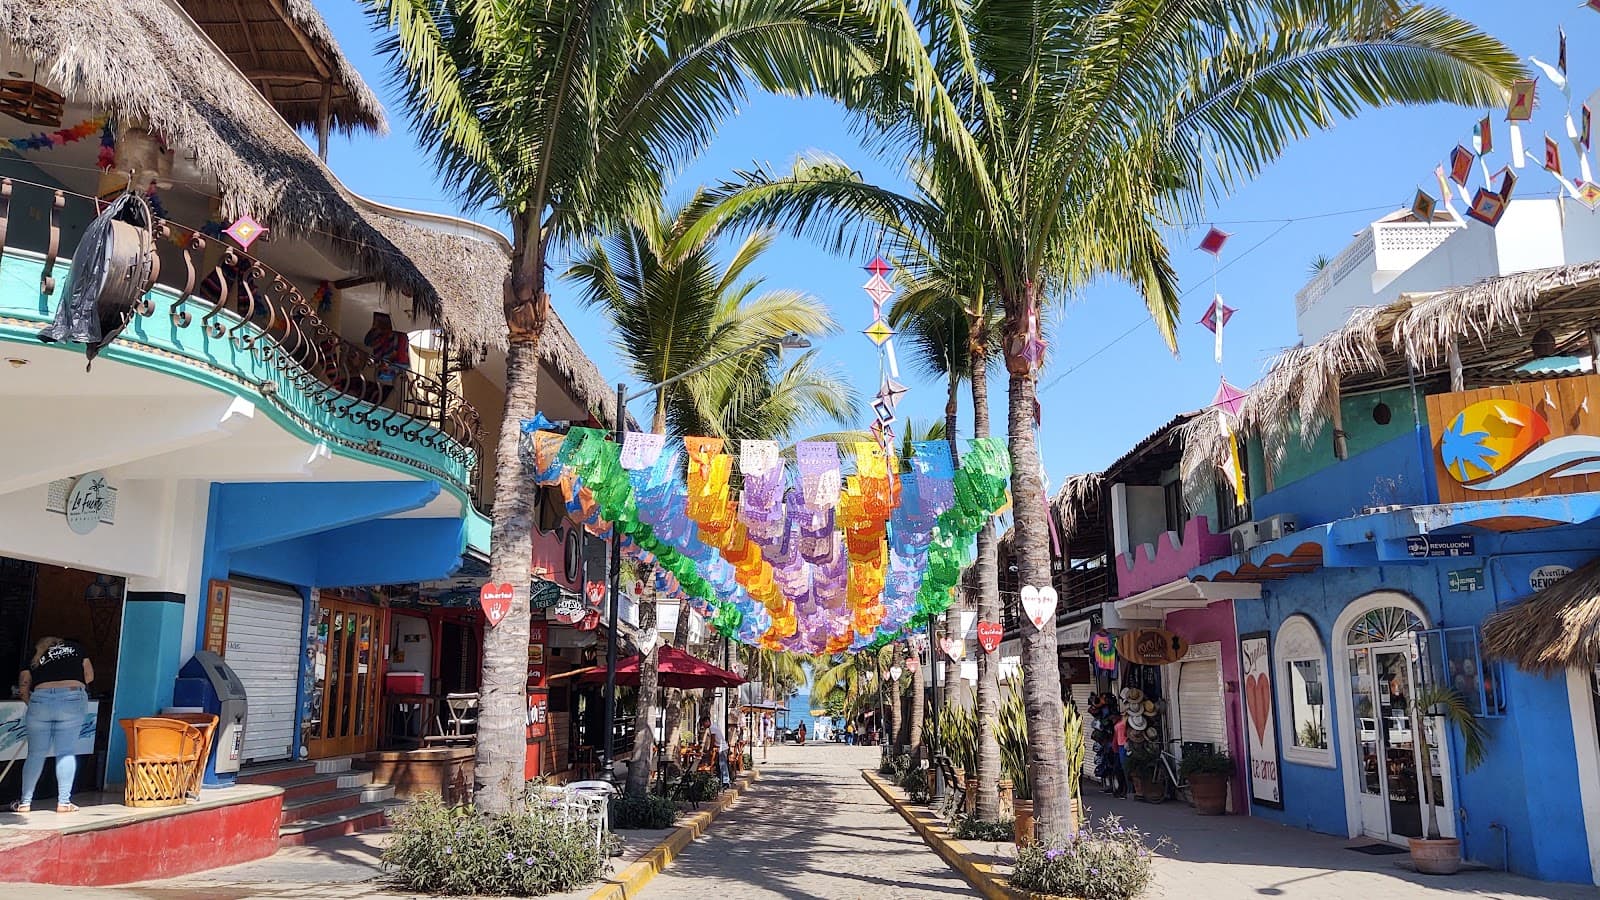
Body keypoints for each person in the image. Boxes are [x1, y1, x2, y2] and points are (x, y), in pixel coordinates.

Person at [12, 637, 93, 813]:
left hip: (40, 699)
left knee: (35, 754)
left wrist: (33, 704)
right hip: (72, 697)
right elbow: (89, 675)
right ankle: (64, 802)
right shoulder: (76, 647)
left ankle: (25, 802)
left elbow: (23, 685)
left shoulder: (34, 655)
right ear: (60, 642)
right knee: (65, 752)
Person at [362, 311, 411, 404]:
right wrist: (389, 365)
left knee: (368, 342)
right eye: (386, 371)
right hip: (396, 332)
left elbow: (371, 345)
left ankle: (382, 323)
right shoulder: (400, 366)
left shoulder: (378, 362)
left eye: (383, 371)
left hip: (386, 332)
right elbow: (403, 362)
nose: (384, 369)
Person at [699, 715, 730, 788]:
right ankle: (721, 781)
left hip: (722, 748)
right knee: (719, 765)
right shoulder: (714, 726)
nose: (703, 725)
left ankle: (726, 782)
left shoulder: (712, 728)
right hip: (721, 747)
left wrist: (710, 750)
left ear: (707, 722)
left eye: (704, 724)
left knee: (723, 765)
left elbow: (713, 740)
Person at [1111, 711, 1129, 799]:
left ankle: (1125, 790)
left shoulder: (1123, 723)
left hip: (1123, 746)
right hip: (1120, 746)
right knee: (1120, 769)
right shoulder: (1120, 723)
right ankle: (1122, 789)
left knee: (1123, 769)